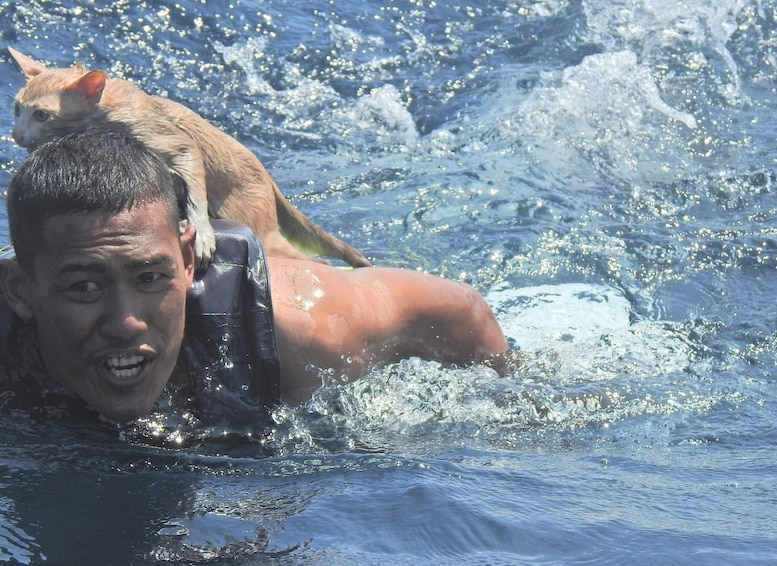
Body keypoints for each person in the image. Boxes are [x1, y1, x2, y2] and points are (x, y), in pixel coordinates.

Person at [0, 127, 509, 427]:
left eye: (151, 277)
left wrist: (508, 392)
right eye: (84, 286)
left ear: (187, 258)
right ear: (21, 290)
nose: (126, 322)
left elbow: (460, 309)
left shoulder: (297, 330)